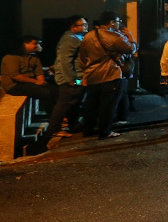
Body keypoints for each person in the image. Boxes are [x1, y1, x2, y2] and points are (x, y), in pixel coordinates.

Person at [79, 11, 137, 139]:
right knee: (108, 105)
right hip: (111, 75)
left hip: (92, 76)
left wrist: (89, 68)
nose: (119, 24)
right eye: (118, 22)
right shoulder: (115, 37)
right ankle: (105, 131)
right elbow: (130, 49)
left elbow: (82, 58)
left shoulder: (88, 36)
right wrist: (130, 37)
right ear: (111, 22)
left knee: (91, 105)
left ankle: (87, 130)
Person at [47, 16, 89, 138]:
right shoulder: (70, 40)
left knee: (75, 102)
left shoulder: (75, 38)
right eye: (83, 25)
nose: (86, 27)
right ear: (74, 27)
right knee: (65, 102)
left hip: (76, 77)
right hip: (71, 78)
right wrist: (71, 79)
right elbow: (65, 60)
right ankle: (53, 129)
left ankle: (74, 125)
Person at [0, 35, 58, 112]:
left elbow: (39, 73)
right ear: (25, 44)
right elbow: (16, 76)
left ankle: (58, 116)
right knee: (46, 93)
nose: (37, 46)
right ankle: (52, 118)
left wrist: (42, 82)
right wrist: (36, 82)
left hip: (29, 83)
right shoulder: (11, 57)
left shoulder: (34, 57)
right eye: (35, 43)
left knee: (56, 90)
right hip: (15, 85)